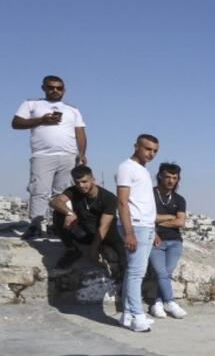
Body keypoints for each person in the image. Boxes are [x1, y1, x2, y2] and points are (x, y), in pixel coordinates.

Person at [10, 75, 87, 240]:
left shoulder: (72, 109)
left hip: (68, 156)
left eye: (59, 88)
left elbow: (80, 132)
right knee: (39, 190)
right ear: (44, 88)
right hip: (42, 155)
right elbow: (16, 123)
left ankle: (57, 226)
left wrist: (82, 155)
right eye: (51, 87)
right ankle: (35, 225)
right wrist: (41, 120)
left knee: (64, 193)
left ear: (64, 90)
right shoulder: (32, 104)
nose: (55, 90)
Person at [116, 135, 160, 333]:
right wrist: (129, 232)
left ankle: (127, 314)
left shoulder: (141, 169)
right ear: (136, 147)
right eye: (147, 149)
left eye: (154, 151)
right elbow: (122, 202)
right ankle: (137, 315)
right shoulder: (126, 167)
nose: (151, 154)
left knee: (132, 272)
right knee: (136, 273)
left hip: (145, 226)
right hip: (136, 226)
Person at [48, 166, 123, 273]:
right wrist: (70, 213)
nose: (81, 185)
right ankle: (72, 250)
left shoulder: (108, 197)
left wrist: (93, 250)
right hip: (85, 234)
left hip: (105, 236)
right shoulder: (74, 191)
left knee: (124, 260)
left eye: (84, 181)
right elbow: (54, 202)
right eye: (77, 182)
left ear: (93, 179)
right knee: (59, 213)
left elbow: (104, 227)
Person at [148, 162, 188, 319]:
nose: (171, 181)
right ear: (160, 176)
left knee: (165, 273)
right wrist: (169, 217)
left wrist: (157, 220)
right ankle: (170, 302)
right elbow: (146, 218)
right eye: (167, 177)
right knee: (161, 272)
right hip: (155, 240)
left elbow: (180, 222)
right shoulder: (149, 195)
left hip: (174, 242)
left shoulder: (179, 199)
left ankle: (157, 303)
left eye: (174, 177)